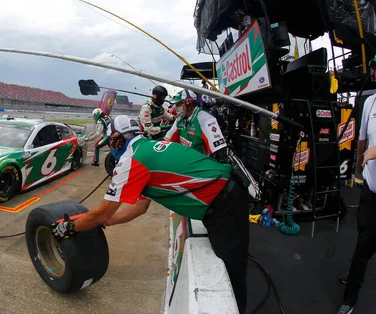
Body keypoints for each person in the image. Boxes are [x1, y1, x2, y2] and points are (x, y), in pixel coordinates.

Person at [51, 115, 249, 313]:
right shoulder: (147, 149)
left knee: (231, 273)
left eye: (112, 139)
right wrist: (107, 222)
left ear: (119, 139)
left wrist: (69, 227)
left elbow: (102, 213)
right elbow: (139, 208)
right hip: (224, 194)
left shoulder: (131, 160)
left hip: (224, 201)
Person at [335, 65, 376, 314]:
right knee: (363, 243)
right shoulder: (370, 102)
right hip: (371, 190)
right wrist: (358, 166)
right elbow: (361, 138)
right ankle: (350, 299)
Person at [164, 89, 228, 158]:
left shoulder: (206, 119)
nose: (176, 108)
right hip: (184, 160)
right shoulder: (179, 119)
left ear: (189, 103)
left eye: (179, 104)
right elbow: (167, 139)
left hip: (201, 164)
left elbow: (219, 152)